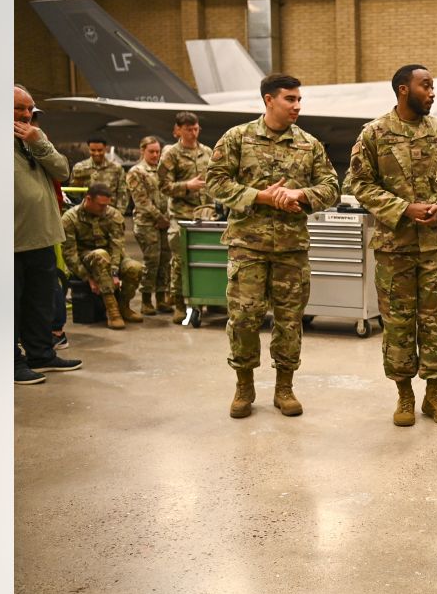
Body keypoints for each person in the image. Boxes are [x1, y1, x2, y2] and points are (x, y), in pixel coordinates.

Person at [205, 73, 340, 419]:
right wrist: (260, 197)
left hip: (291, 249)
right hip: (247, 247)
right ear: (268, 100)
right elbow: (215, 182)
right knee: (245, 318)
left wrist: (300, 194)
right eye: (289, 99)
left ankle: (284, 387)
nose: (297, 106)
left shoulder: (309, 144)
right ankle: (244, 385)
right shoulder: (238, 138)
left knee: (290, 321)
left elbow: (332, 188)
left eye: (299, 100)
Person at [344, 65, 437, 428]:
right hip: (395, 248)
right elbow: (358, 185)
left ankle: (434, 395)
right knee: (398, 324)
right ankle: (405, 395)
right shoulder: (374, 133)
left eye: (433, 86)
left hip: (435, 248)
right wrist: (403, 208)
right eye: (426, 86)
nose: (432, 92)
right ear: (403, 89)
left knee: (436, 322)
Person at [15, 84, 82, 384]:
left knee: (39, 302)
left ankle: (41, 353)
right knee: (10, 305)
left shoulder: (35, 139)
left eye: (30, 108)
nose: (27, 114)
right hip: (11, 242)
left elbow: (62, 171)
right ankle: (12, 363)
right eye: (20, 108)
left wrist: (38, 141)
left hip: (41, 236)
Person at [61, 183, 145, 330]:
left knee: (135, 268)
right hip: (87, 260)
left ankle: (123, 306)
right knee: (100, 255)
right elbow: (70, 254)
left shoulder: (112, 215)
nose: (104, 209)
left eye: (106, 205)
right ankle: (112, 311)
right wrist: (87, 277)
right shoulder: (70, 218)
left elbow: (116, 246)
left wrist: (114, 272)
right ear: (88, 199)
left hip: (112, 258)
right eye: (100, 205)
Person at [157, 112, 213, 324]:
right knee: (180, 263)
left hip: (206, 215)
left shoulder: (207, 152)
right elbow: (163, 186)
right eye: (188, 129)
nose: (193, 133)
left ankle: (206, 300)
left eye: (195, 129)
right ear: (178, 129)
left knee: (205, 259)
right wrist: (187, 186)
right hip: (181, 216)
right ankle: (180, 306)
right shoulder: (171, 154)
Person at [125, 136, 172, 315]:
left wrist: (167, 217)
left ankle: (161, 298)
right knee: (152, 260)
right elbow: (141, 200)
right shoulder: (136, 172)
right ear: (142, 151)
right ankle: (146, 300)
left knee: (164, 261)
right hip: (147, 223)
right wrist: (159, 217)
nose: (155, 155)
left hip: (165, 222)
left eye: (157, 151)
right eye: (151, 151)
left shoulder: (163, 171)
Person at [69, 137, 128, 209]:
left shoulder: (116, 168)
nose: (96, 153)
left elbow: (122, 193)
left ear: (105, 149)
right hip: (87, 212)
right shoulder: (80, 168)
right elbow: (73, 194)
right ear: (89, 149)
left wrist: (119, 213)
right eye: (93, 150)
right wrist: (78, 181)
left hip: (110, 213)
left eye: (100, 150)